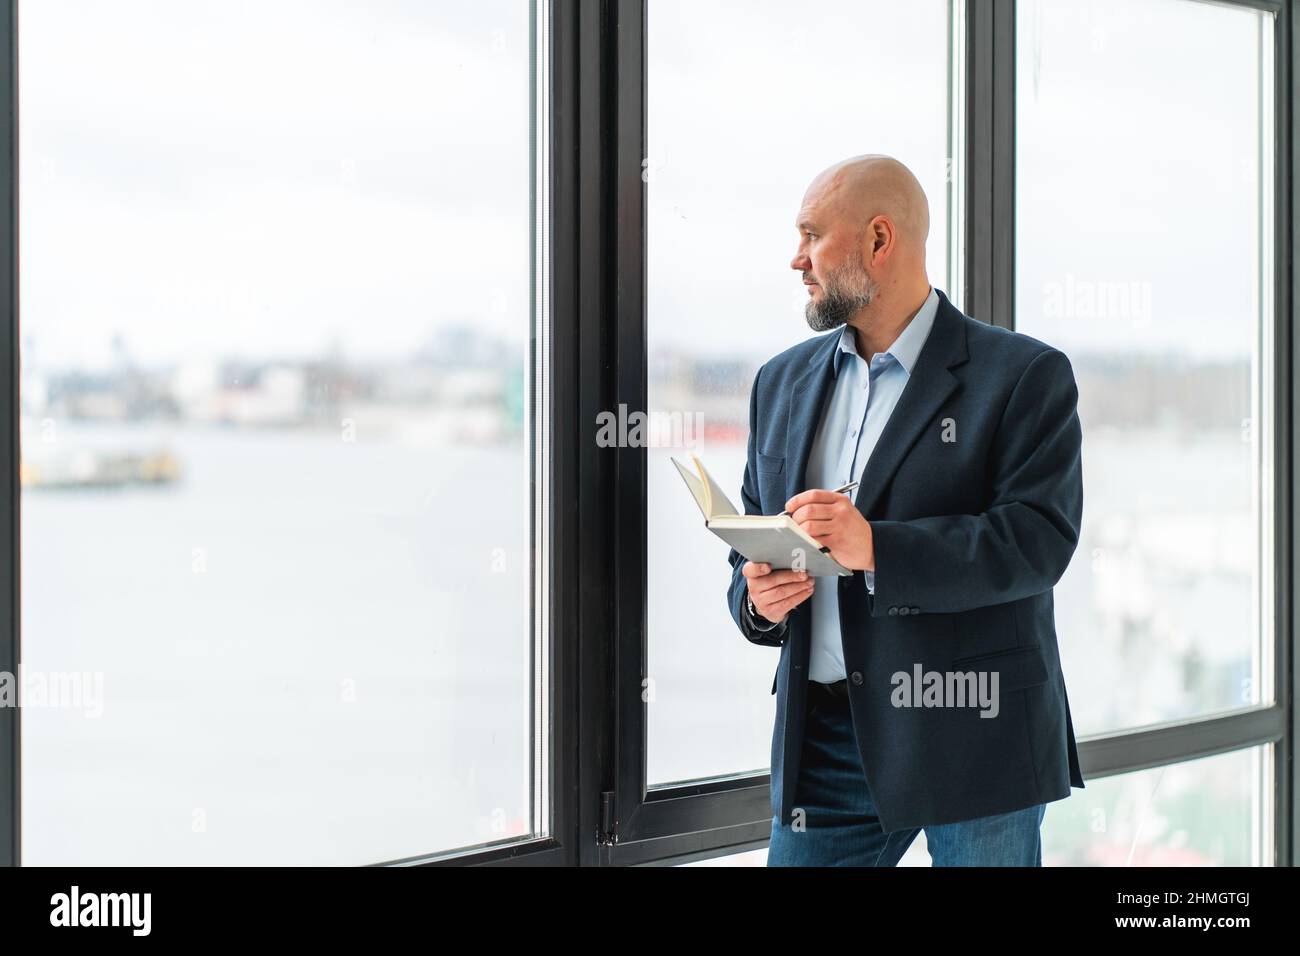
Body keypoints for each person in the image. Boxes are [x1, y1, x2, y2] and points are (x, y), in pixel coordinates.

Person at [726, 154, 1085, 866]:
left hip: (975, 735)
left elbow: (1037, 542)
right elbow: (750, 546)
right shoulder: (781, 381)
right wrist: (758, 599)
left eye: (811, 234)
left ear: (879, 241)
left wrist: (875, 547)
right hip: (824, 743)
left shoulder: (1023, 376)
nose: (796, 259)